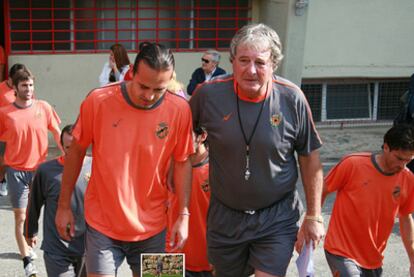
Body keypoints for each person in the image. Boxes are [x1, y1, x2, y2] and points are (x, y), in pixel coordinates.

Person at [189, 23, 324, 277]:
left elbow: (310, 157)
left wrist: (314, 216)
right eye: (243, 60)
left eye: (260, 62)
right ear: (232, 62)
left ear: (274, 63)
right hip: (224, 216)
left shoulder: (292, 98)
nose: (251, 70)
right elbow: (180, 139)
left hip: (276, 217)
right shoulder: (207, 95)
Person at [55, 42, 194, 277]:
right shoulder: (98, 100)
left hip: (156, 226)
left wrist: (183, 215)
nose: (149, 95)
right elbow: (76, 152)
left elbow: (183, 161)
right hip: (102, 226)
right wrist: (63, 206)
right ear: (131, 73)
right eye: (143, 86)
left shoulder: (180, 109)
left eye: (159, 89)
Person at [301, 124, 414, 276]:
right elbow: (321, 190)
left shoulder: (407, 178)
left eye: (408, 161)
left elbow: (406, 217)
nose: (402, 165)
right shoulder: (353, 164)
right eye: (399, 158)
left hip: (373, 258)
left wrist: (412, 258)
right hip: (341, 250)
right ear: (386, 147)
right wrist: (313, 220)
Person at [0, 68, 62, 277]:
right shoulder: (5, 113)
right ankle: (27, 262)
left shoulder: (43, 107)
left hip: (40, 171)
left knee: (46, 214)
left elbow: (57, 132)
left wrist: (68, 156)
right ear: (15, 88)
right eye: (24, 85)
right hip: (16, 172)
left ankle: (37, 240)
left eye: (31, 85)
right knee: (20, 217)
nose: (29, 89)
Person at [24, 124, 91, 277]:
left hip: (88, 248)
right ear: (62, 146)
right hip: (57, 248)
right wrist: (30, 231)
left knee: (152, 271)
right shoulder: (46, 171)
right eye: (68, 147)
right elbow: (34, 203)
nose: (73, 151)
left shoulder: (95, 167)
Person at [166, 126, 213, 277]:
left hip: (209, 262)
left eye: (185, 135)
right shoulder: (165, 166)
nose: (178, 141)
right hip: (167, 257)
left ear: (202, 136)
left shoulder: (219, 170)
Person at [0, 63, 30, 197]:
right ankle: (2, 181)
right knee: (3, 160)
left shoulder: (24, 89)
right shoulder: (1, 89)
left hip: (20, 132)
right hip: (3, 133)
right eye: (17, 79)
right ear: (10, 78)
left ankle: (21, 185)